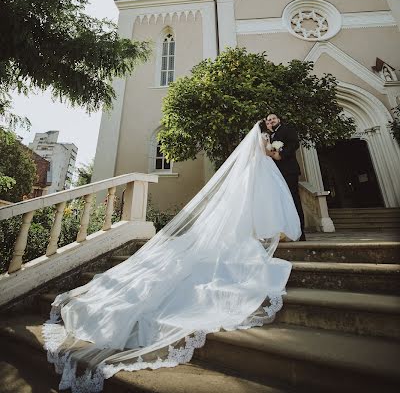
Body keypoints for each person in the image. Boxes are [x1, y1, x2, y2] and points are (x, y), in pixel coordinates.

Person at [43, 123, 301, 393]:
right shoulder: (261, 139)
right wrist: (272, 151)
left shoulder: (264, 142)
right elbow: (265, 153)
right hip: (265, 169)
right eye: (269, 122)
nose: (271, 124)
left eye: (273, 121)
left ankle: (264, 230)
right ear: (263, 128)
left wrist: (274, 150)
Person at [263, 113, 306, 241]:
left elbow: (294, 144)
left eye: (273, 118)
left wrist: (281, 154)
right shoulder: (268, 135)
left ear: (279, 120)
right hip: (275, 173)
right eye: (269, 119)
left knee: (293, 199)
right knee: (281, 203)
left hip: (289, 171)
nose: (271, 121)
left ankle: (300, 232)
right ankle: (285, 231)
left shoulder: (288, 129)